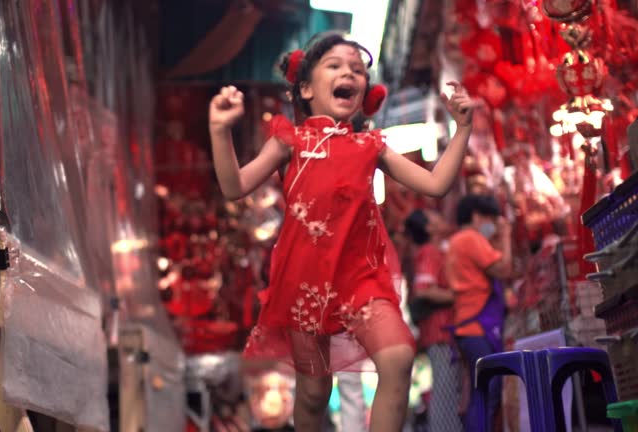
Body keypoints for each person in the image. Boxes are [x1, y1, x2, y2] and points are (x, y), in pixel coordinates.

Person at [208, 31, 475, 431]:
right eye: (334, 65)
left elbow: (436, 185)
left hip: (362, 281)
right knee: (314, 394)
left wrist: (463, 129)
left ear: (365, 90)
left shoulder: (372, 146)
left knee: (399, 357)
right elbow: (234, 187)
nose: (349, 72)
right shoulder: (288, 141)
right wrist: (219, 130)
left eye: (357, 69)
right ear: (305, 88)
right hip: (305, 284)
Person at [444, 195, 512, 432]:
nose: (492, 224)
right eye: (490, 218)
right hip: (476, 326)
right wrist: (506, 235)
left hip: (466, 324)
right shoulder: (471, 239)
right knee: (487, 389)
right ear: (476, 215)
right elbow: (504, 269)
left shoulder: (456, 242)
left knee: (478, 389)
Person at [404, 209, 462, 432]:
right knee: (445, 391)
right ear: (429, 228)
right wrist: (459, 296)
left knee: (448, 389)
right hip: (439, 331)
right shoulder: (429, 252)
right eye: (435, 216)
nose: (440, 217)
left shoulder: (435, 250)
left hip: (443, 332)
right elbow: (423, 289)